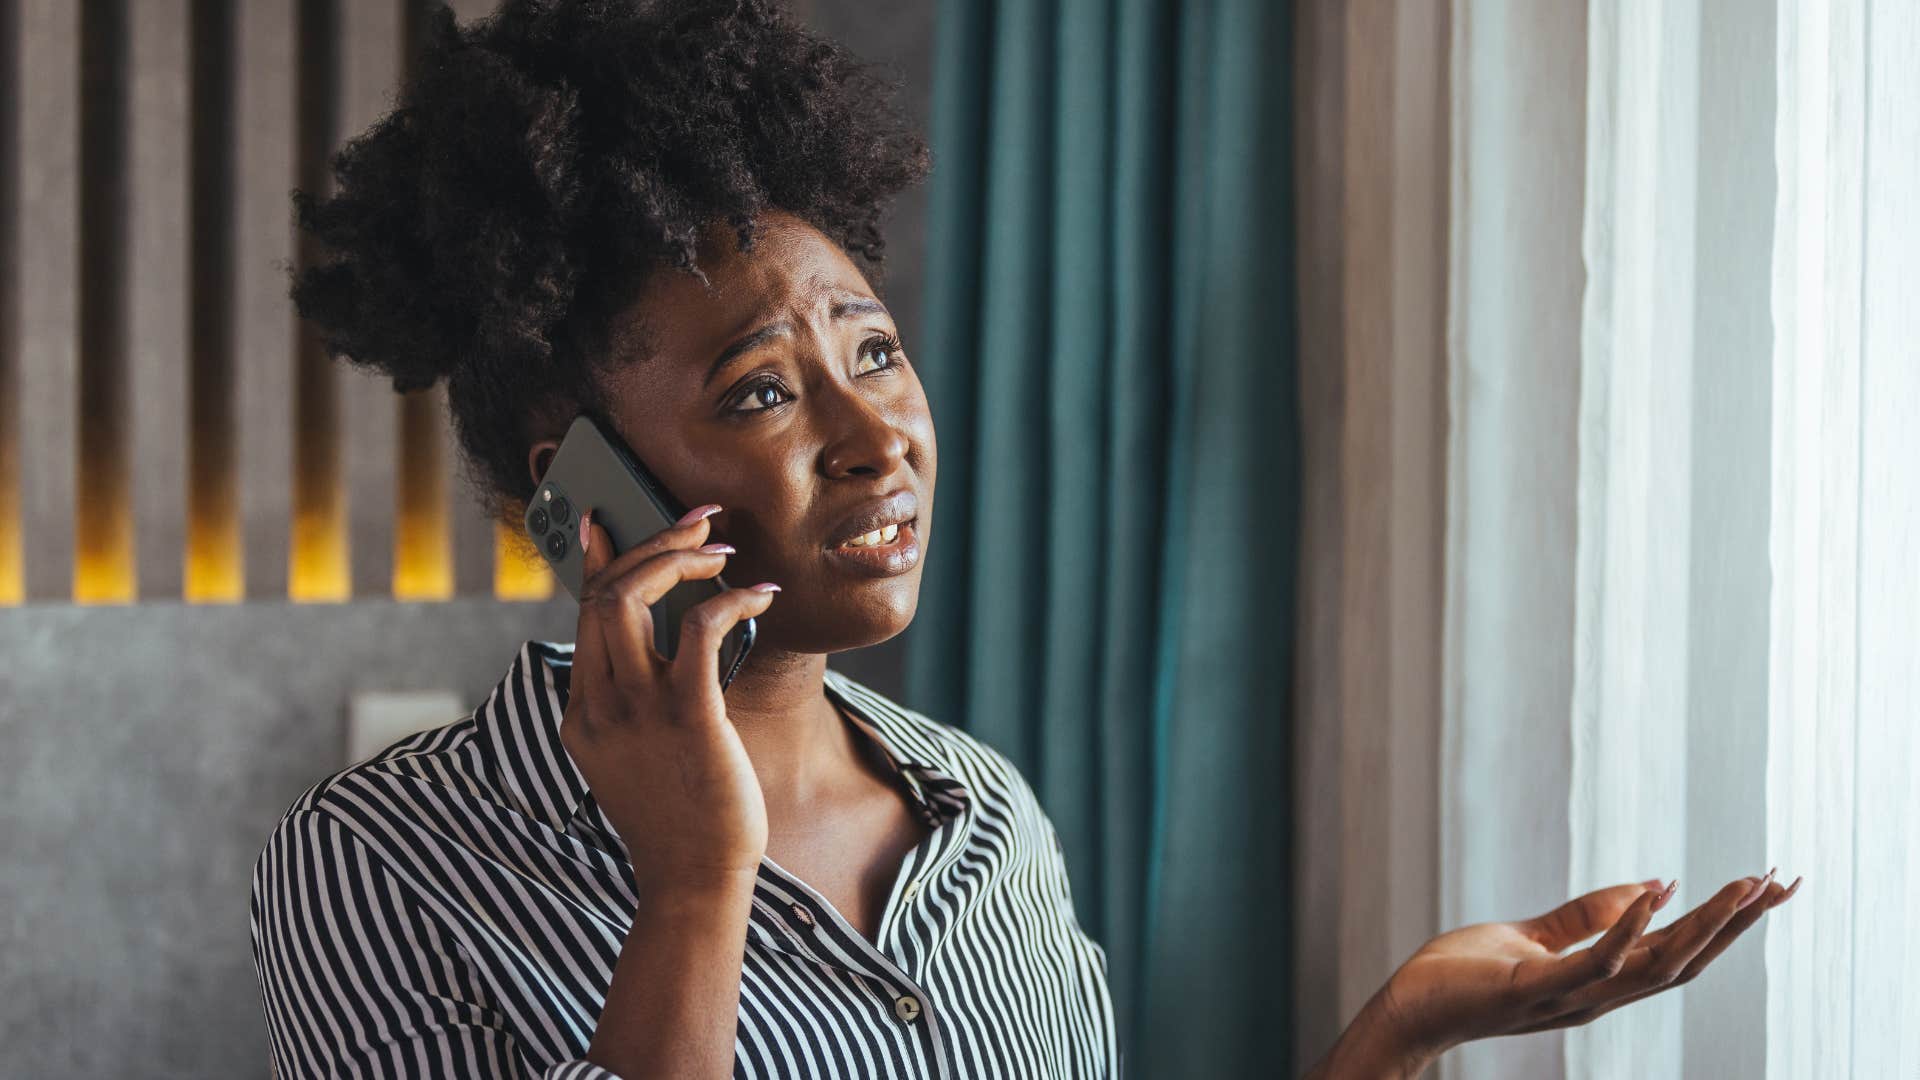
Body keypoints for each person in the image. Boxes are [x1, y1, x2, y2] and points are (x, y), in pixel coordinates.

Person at [246, 2, 1799, 1077]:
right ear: (584, 489)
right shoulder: (385, 866)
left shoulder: (984, 820)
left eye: (873, 349)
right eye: (765, 389)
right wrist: (696, 892)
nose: (877, 436)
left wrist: (1401, 1031)